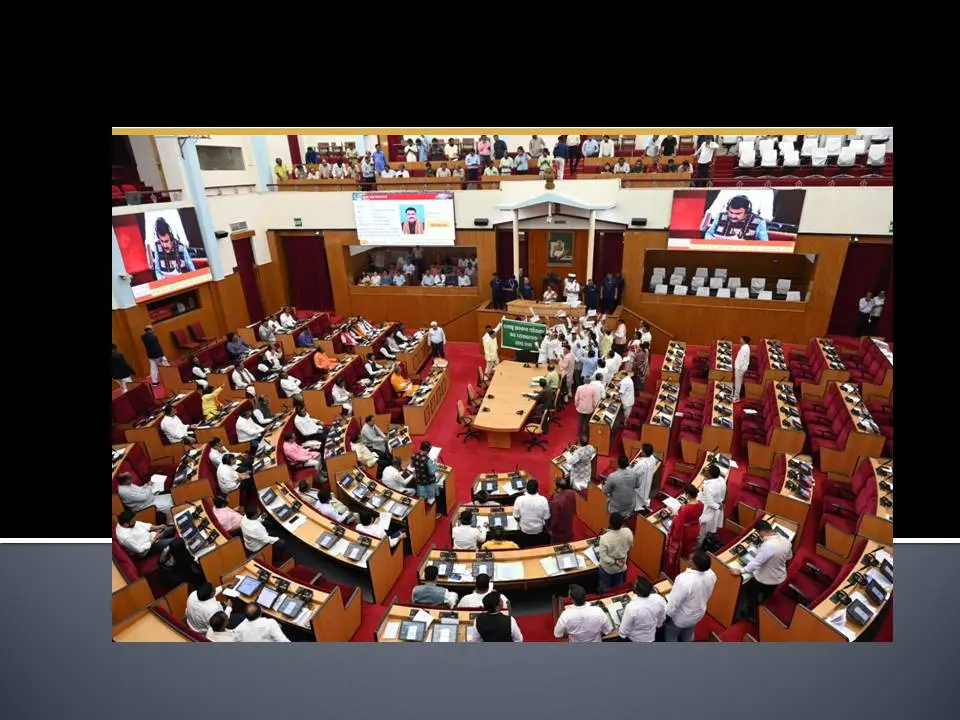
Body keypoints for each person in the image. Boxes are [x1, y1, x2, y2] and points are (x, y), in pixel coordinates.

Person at [733, 519, 793, 622]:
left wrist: (740, 571)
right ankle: (763, 608)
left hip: (765, 579)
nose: (760, 536)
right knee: (767, 595)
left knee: (750, 592)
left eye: (759, 533)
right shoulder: (785, 541)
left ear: (762, 532)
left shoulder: (768, 546)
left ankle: (752, 613)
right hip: (778, 577)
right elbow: (789, 556)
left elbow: (756, 564)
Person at [664, 550, 717, 641]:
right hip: (698, 614)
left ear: (694, 564)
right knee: (688, 635)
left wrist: (666, 616)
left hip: (680, 618)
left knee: (671, 636)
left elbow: (674, 603)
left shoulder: (684, 579)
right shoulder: (711, 574)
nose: (688, 559)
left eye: (690, 559)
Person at [664, 484, 703, 577]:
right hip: (695, 529)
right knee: (688, 550)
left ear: (688, 495)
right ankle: (684, 563)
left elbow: (678, 523)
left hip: (686, 532)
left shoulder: (685, 508)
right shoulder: (701, 504)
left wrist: (675, 514)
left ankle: (676, 569)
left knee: (679, 552)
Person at [618, 577, 667, 642]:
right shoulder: (658, 599)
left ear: (635, 590)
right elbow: (661, 618)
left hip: (635, 640)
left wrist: (622, 636)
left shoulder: (631, 607)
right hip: (651, 636)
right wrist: (658, 625)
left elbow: (623, 631)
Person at [705, 195, 769, 241]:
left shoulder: (759, 222)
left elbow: (764, 243)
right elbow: (708, 234)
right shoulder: (720, 216)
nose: (733, 216)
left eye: (738, 213)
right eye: (731, 212)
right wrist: (712, 239)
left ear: (747, 212)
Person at [597, 512, 633, 591]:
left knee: (605, 587)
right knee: (619, 587)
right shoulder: (628, 532)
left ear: (610, 524)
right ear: (622, 523)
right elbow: (630, 546)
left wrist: (615, 561)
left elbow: (603, 556)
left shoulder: (604, 538)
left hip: (608, 569)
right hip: (622, 565)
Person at [512, 478, 550, 547]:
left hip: (524, 531)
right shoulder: (543, 500)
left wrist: (521, 523)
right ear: (537, 489)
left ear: (526, 488)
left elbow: (516, 516)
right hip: (539, 531)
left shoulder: (519, 499)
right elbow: (546, 518)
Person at [698, 464, 727, 544]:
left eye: (707, 470)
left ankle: (699, 545)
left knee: (702, 531)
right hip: (717, 506)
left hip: (708, 510)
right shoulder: (721, 479)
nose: (705, 470)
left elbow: (710, 503)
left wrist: (718, 506)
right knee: (710, 527)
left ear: (710, 475)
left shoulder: (708, 486)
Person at [547, 477, 576, 543]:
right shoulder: (571, 493)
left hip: (559, 533)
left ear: (559, 488)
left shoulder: (555, 502)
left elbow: (554, 519)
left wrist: (549, 528)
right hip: (568, 526)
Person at [574, 371, 602, 438]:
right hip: (589, 408)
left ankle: (579, 432)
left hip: (580, 407)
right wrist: (595, 407)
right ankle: (585, 433)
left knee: (580, 420)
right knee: (587, 422)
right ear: (590, 381)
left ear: (584, 381)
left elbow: (576, 398)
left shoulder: (579, 388)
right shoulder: (594, 388)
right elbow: (596, 400)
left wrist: (576, 405)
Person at [632, 443, 658, 512]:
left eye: (642, 450)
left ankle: (640, 509)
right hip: (648, 481)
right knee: (645, 495)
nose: (641, 451)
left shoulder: (642, 464)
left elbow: (633, 474)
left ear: (644, 453)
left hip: (641, 484)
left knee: (639, 499)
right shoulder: (652, 458)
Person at [734, 335, 751, 401]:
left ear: (743, 340)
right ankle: (739, 394)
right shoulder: (745, 347)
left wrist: (738, 368)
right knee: (739, 381)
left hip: (740, 368)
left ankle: (736, 397)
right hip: (742, 368)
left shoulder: (744, 348)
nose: (740, 339)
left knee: (737, 382)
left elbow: (742, 360)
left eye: (741, 338)